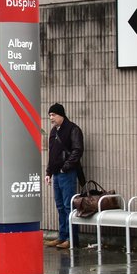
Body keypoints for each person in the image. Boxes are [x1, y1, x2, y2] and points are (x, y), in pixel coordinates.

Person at [45, 103, 84, 250]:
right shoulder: (53, 131)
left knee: (69, 206)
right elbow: (52, 153)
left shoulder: (73, 129)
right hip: (56, 174)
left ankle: (71, 238)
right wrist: (49, 172)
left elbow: (77, 150)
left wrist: (64, 167)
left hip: (67, 174)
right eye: (50, 115)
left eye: (53, 115)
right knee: (60, 206)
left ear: (61, 115)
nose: (51, 118)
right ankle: (62, 236)